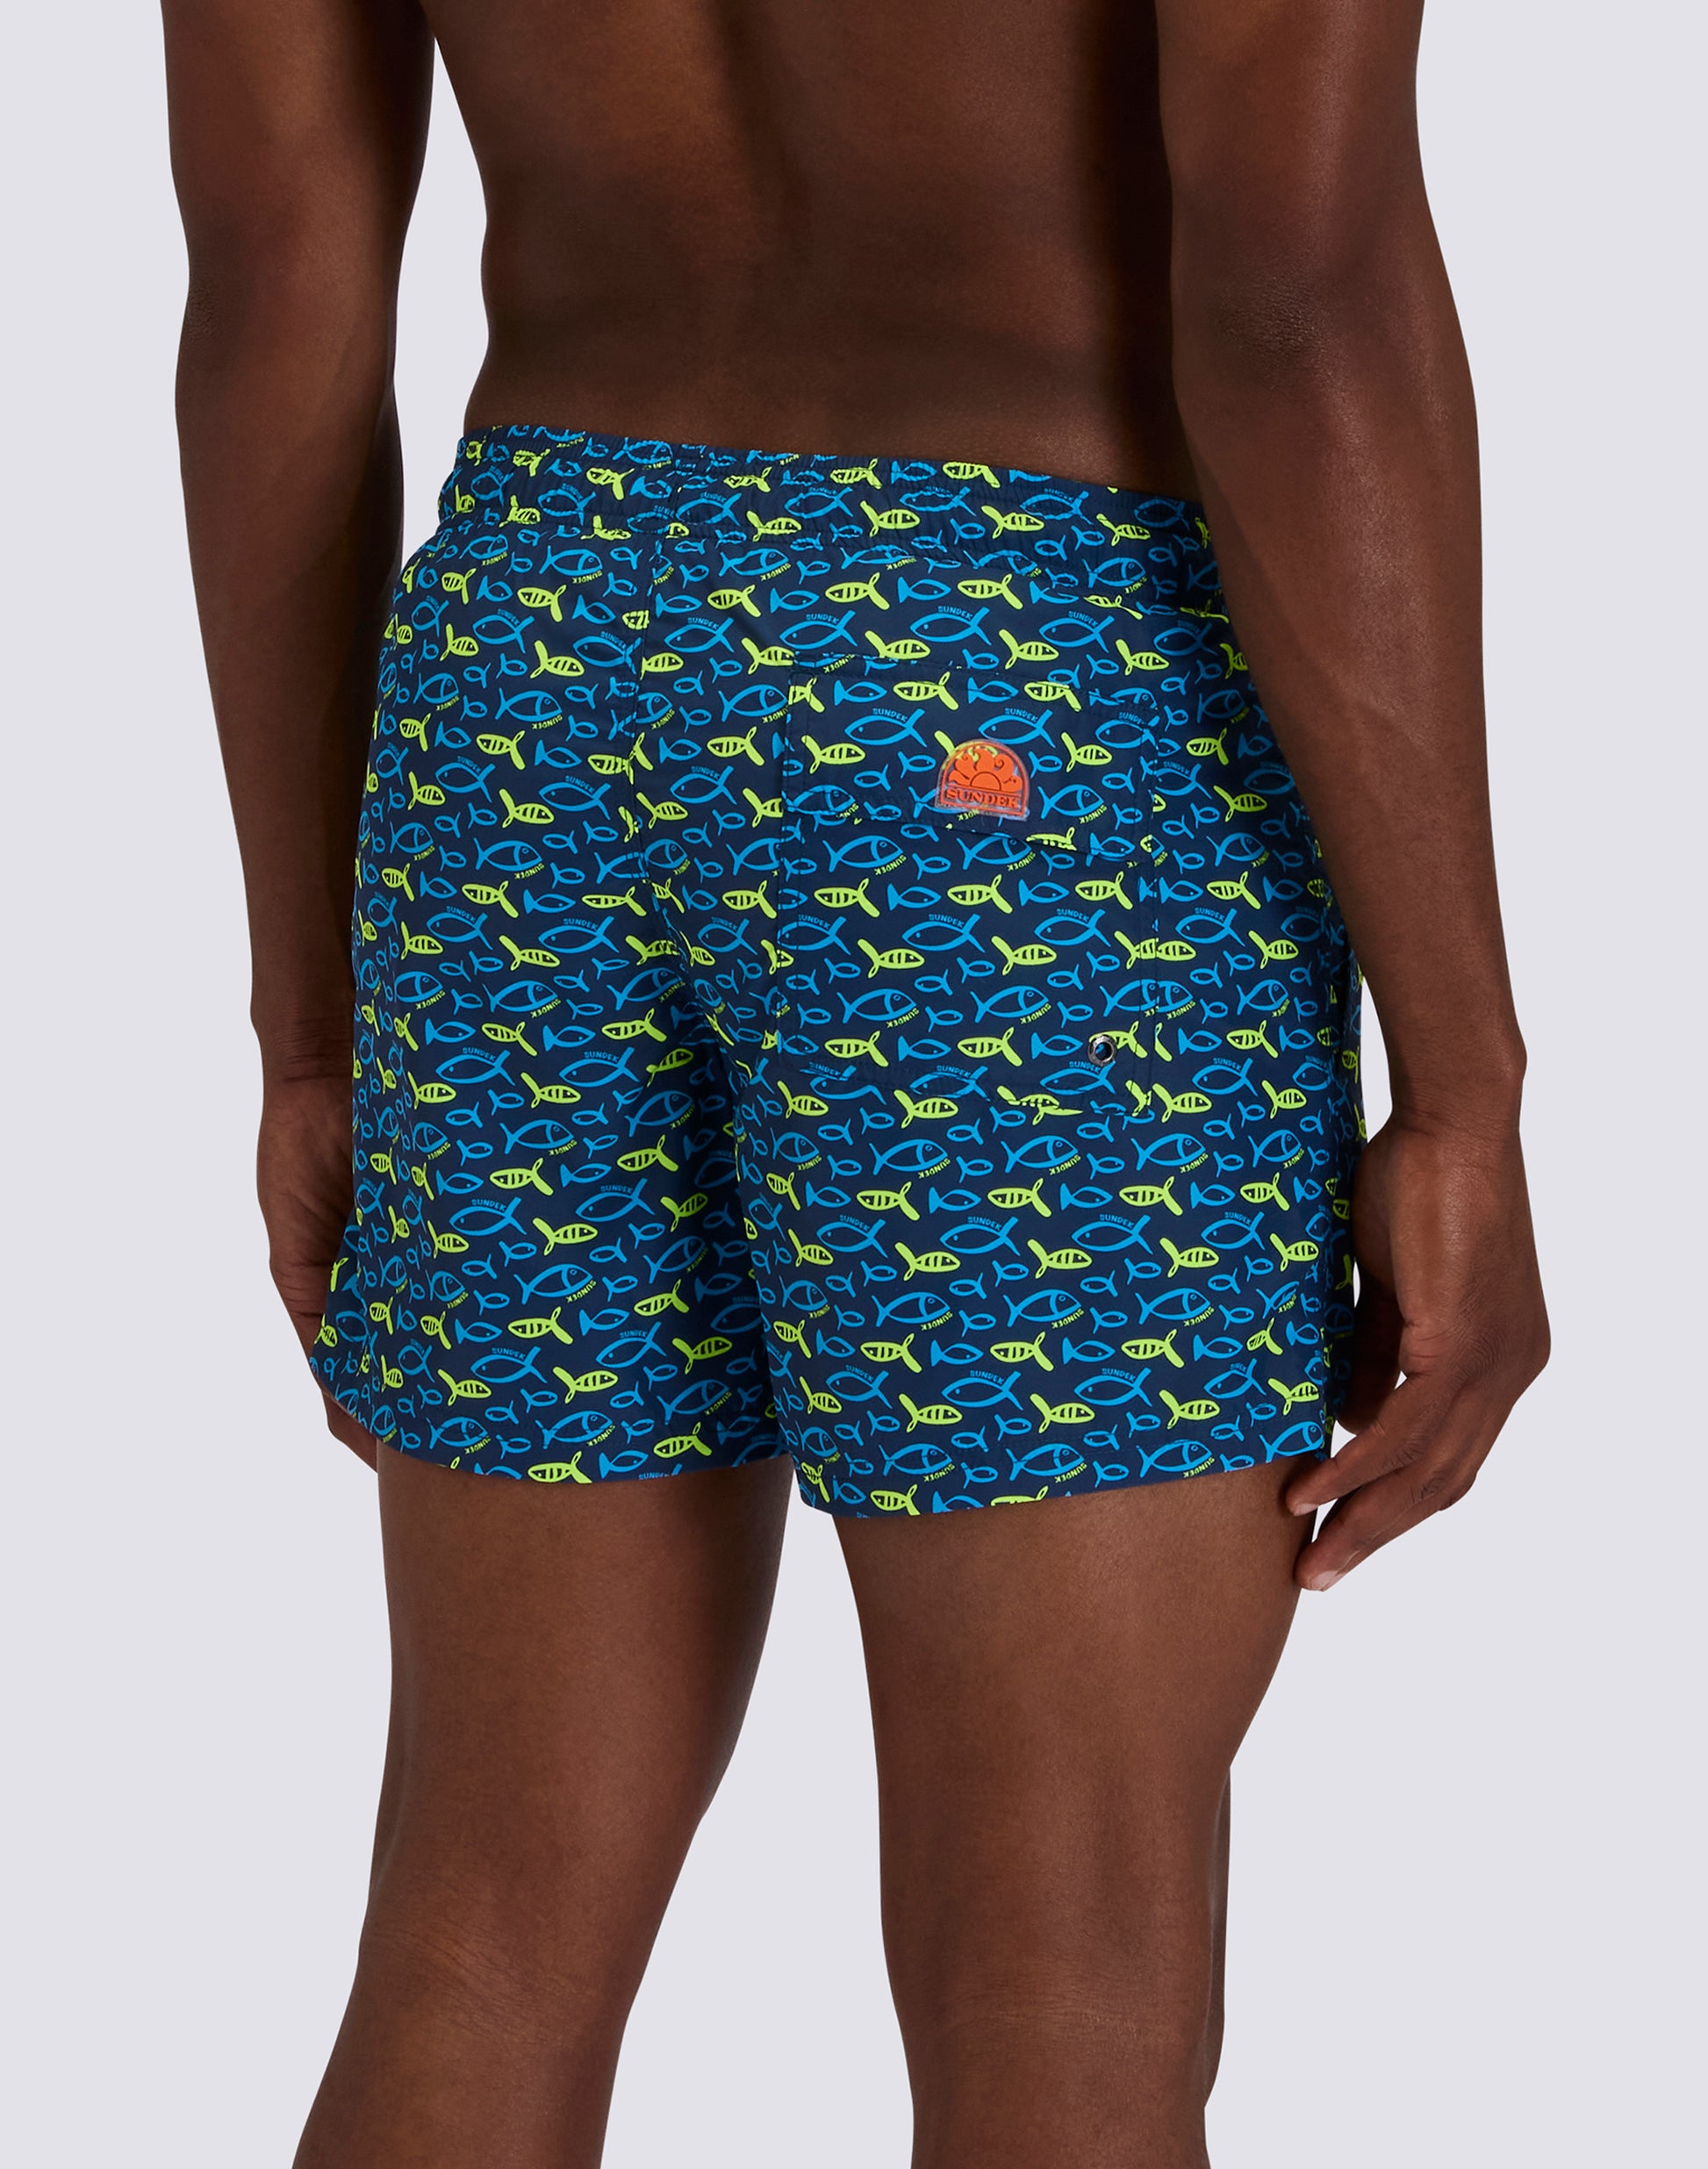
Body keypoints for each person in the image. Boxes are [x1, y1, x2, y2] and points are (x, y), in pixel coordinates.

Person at [162, 2, 1548, 2160]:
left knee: (481, 1921)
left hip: (532, 668)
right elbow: (1295, 283)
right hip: (1024, 697)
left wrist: (311, 1009)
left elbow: (273, 281)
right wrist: (1461, 1078)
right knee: (1062, 1963)